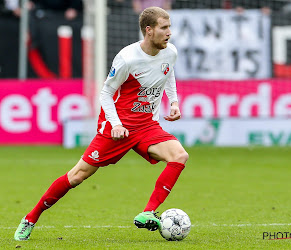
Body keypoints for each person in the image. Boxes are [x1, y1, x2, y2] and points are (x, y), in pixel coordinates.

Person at [14, 6, 189, 241]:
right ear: (149, 30)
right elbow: (106, 93)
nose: (169, 32)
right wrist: (116, 124)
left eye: (170, 27)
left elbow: (168, 73)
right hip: (115, 128)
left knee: (179, 155)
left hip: (147, 126)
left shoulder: (170, 52)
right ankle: (30, 218)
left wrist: (174, 102)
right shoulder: (128, 58)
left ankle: (148, 212)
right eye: (164, 28)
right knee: (76, 176)